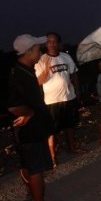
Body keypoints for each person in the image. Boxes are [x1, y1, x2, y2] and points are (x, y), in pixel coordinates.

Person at [7, 34, 62, 201]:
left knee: (29, 165)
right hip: (30, 131)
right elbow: (14, 106)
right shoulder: (19, 75)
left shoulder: (27, 70)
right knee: (36, 168)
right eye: (38, 49)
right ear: (29, 51)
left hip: (33, 129)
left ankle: (34, 196)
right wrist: (29, 113)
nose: (41, 52)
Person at [35, 32, 87, 168]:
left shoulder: (66, 56)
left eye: (55, 41)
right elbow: (39, 81)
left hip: (69, 98)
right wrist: (46, 68)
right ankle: (52, 157)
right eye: (49, 42)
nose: (52, 44)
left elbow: (74, 74)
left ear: (59, 44)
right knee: (52, 130)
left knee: (70, 125)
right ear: (46, 44)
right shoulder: (41, 60)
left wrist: (77, 91)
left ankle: (72, 147)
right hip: (51, 101)